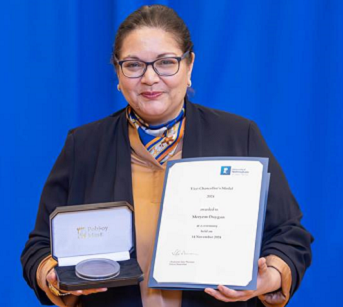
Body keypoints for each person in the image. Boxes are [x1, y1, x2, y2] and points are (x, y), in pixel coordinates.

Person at [21, 4, 313, 307]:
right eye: (133, 65)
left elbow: (290, 235)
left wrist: (271, 277)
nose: (149, 78)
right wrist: (54, 276)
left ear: (189, 66)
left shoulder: (239, 137)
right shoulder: (84, 146)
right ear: (118, 74)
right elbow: (39, 247)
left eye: (166, 62)